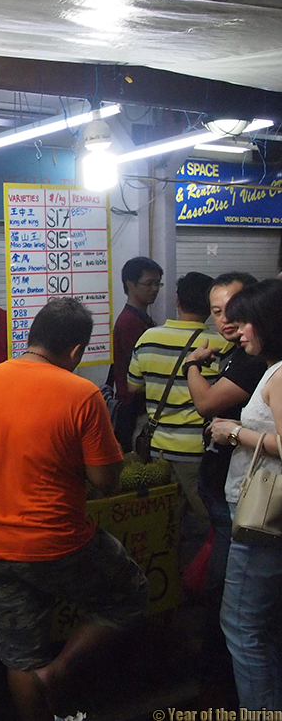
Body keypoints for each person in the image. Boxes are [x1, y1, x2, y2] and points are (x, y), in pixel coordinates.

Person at [0, 298, 149, 721]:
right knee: (130, 596)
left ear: (31, 335)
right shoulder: (81, 393)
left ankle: (42, 690)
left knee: (20, 656)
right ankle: (60, 670)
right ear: (77, 351)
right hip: (58, 541)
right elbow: (104, 481)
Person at [182, 272, 264, 699]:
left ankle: (223, 686)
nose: (228, 321)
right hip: (224, 492)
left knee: (232, 602)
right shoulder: (240, 354)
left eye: (235, 310)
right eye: (217, 312)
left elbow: (206, 404)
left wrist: (194, 363)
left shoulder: (258, 360)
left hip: (247, 503)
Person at [208, 279, 282, 711]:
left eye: (248, 322)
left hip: (263, 515)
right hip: (257, 507)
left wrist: (234, 431)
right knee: (263, 625)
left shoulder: (279, 373)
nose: (240, 330)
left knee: (240, 624)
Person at [127, 271, 227, 550]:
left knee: (160, 524)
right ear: (210, 306)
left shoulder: (148, 337)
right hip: (197, 451)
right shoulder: (221, 344)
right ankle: (195, 583)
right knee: (203, 527)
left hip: (155, 448)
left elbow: (133, 386)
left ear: (177, 300)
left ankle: (166, 584)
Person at [109, 257, 163, 449]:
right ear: (130, 284)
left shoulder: (142, 318)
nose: (155, 289)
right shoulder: (130, 323)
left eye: (158, 283)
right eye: (149, 283)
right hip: (134, 409)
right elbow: (144, 372)